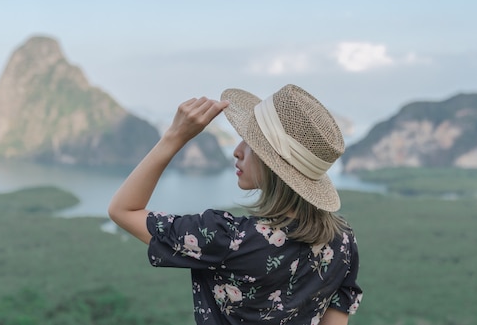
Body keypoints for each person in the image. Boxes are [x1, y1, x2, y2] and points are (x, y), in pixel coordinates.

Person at [108, 84, 363, 324]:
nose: (237, 150)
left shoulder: (226, 238)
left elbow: (123, 210)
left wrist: (174, 136)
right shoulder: (342, 241)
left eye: (251, 143)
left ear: (273, 166)